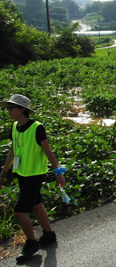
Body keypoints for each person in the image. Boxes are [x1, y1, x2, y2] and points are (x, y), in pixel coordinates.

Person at [0, 94, 66, 262]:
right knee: (36, 204)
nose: (9, 111)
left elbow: (47, 151)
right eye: (8, 108)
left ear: (22, 109)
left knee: (19, 211)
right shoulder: (15, 127)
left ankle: (31, 243)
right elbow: (13, 152)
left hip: (35, 174)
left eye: (12, 108)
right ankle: (49, 234)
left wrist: (58, 173)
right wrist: (3, 174)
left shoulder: (37, 127)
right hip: (22, 173)